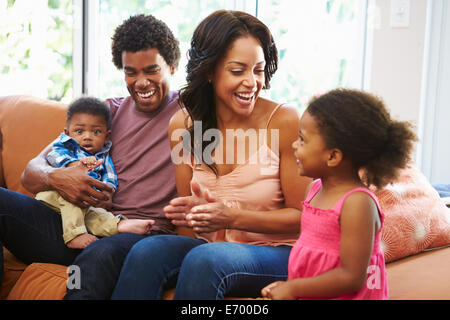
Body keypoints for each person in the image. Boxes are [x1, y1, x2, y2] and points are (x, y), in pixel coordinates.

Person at [111, 9, 311, 300]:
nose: (252, 82)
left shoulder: (284, 121)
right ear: (209, 71)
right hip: (207, 249)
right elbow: (185, 220)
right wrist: (189, 217)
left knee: (206, 260)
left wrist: (231, 217)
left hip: (276, 253)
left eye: (258, 69)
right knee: (146, 250)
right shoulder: (184, 125)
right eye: (237, 70)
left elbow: (303, 218)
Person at [0, 14, 181, 299]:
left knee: (98, 255)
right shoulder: (106, 115)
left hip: (136, 234)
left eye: (151, 70)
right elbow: (30, 173)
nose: (141, 82)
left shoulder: (190, 112)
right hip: (75, 226)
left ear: (172, 66)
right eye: (131, 72)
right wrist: (58, 178)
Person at [261, 88, 417, 300]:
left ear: (333, 156)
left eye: (302, 140)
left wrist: (294, 288)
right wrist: (289, 285)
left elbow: (352, 276)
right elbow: (310, 255)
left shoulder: (357, 203)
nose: (294, 145)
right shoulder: (313, 190)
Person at [35, 96, 153, 249]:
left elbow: (110, 176)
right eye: (79, 131)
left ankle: (118, 225)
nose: (87, 137)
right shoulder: (66, 146)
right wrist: (73, 164)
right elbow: (53, 155)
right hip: (54, 198)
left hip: (85, 206)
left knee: (95, 216)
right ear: (67, 132)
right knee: (74, 193)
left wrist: (107, 192)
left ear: (106, 136)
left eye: (96, 132)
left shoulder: (103, 157)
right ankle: (75, 234)